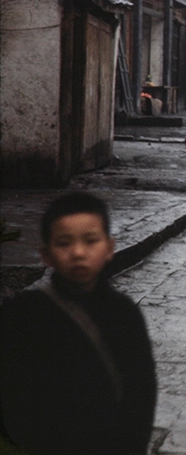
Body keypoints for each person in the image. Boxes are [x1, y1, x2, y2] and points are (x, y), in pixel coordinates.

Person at [0, 193, 157, 455]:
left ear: (109, 248)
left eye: (90, 241)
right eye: (64, 243)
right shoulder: (23, 313)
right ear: (45, 254)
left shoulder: (124, 315)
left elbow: (141, 396)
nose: (78, 252)